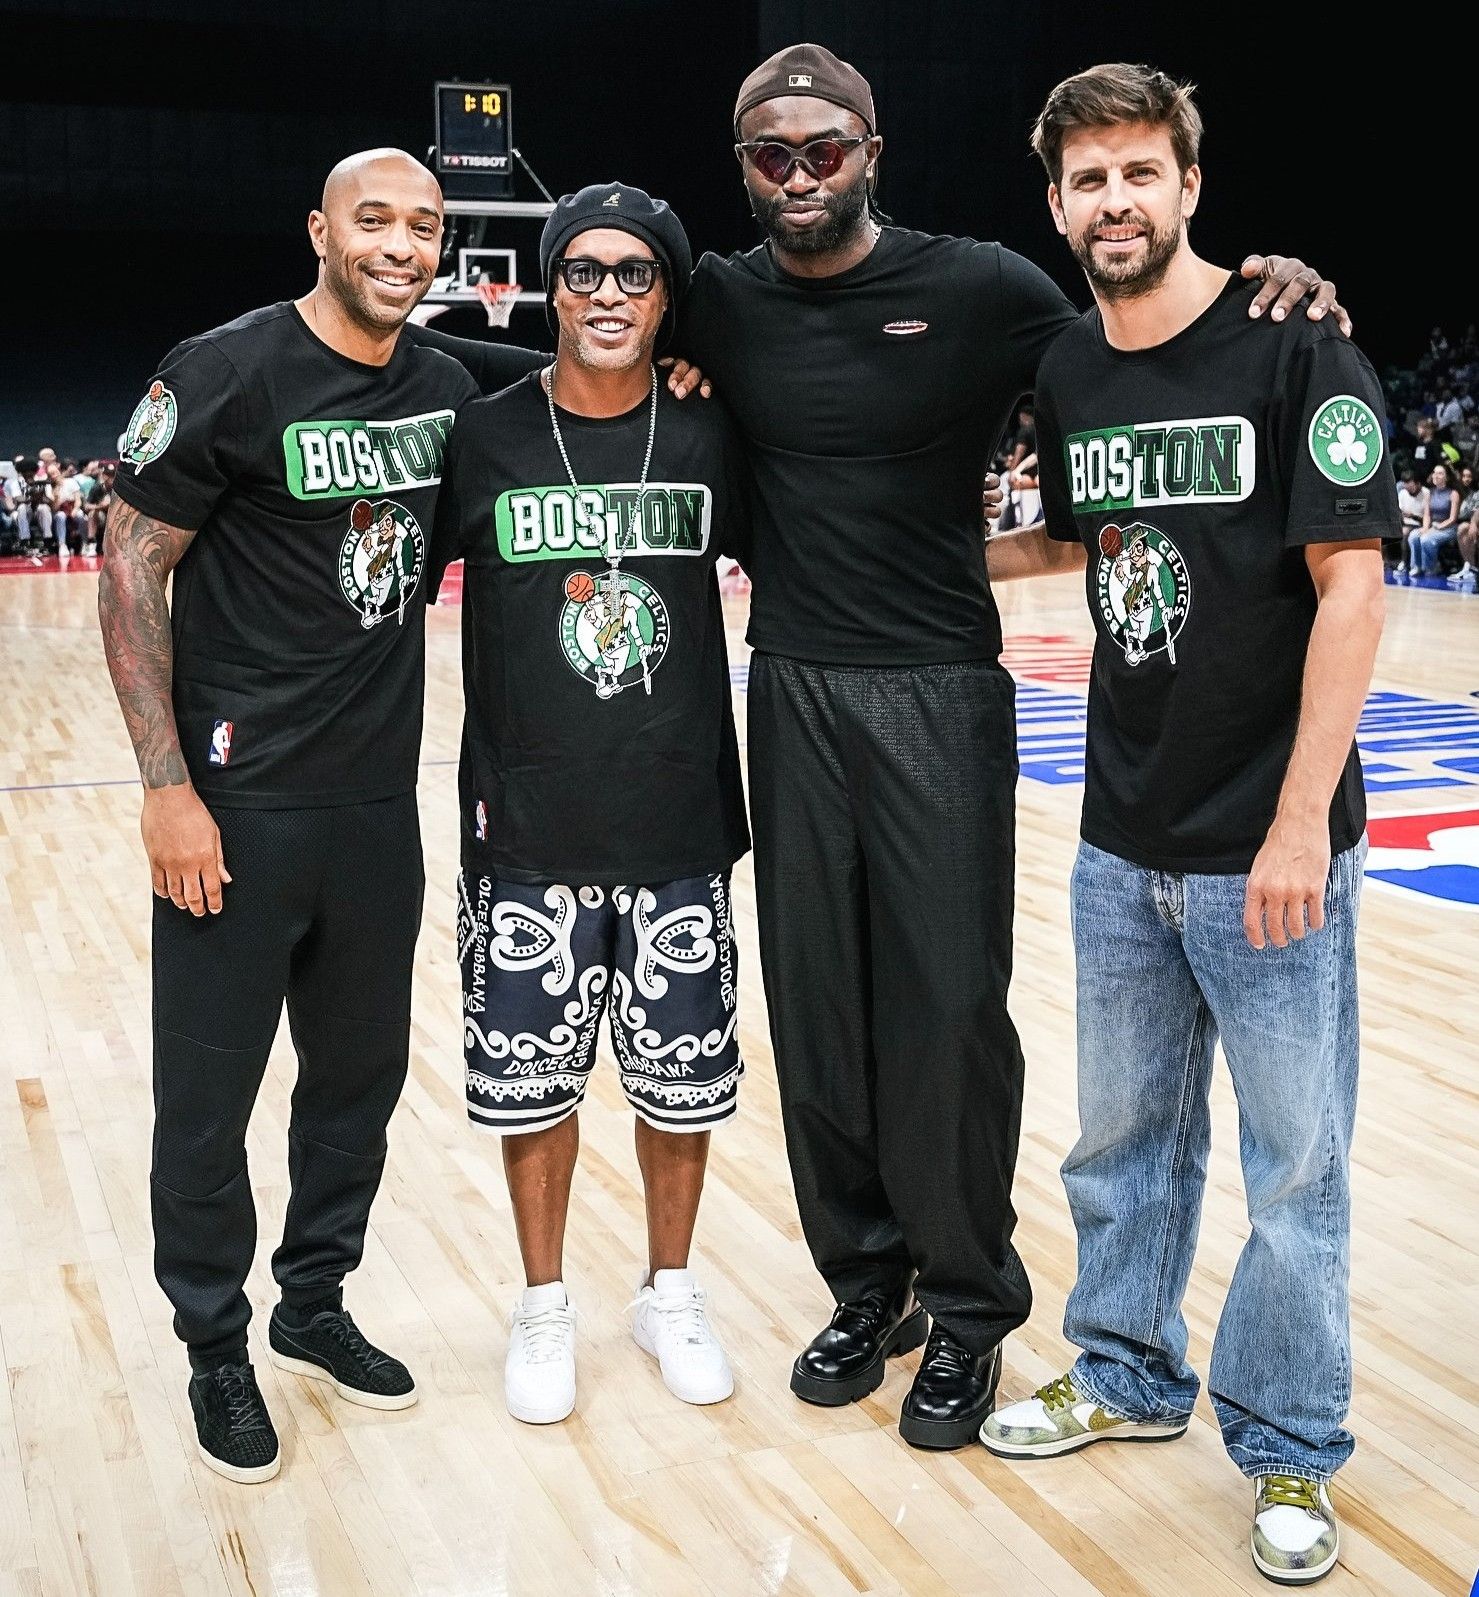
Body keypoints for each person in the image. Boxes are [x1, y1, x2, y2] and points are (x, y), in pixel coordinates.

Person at [406, 43, 1343, 1451]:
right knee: (820, 1015)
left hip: (936, 695)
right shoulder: (711, 298)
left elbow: (1139, 338)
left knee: (948, 1014)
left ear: (868, 148)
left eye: (820, 148)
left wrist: (1284, 290)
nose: (795, 173)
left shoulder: (980, 289)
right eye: (767, 155)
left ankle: (969, 1310)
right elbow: (572, 347)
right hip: (784, 684)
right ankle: (869, 1285)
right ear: (741, 169)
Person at [976, 64, 1394, 1588]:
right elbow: (1091, 538)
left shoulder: (1299, 349)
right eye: (1085, 181)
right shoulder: (1074, 373)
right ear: (1055, 206)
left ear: (1187, 184)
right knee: (1120, 1142)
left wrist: (1298, 825)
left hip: (1268, 846)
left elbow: (1348, 594)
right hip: (1118, 836)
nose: (1113, 202)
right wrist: (920, 560)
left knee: (1296, 1170)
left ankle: (1287, 1452)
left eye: (1137, 172)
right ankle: (1125, 1370)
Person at [98, 148, 487, 1485]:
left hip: (377, 807)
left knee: (355, 1090)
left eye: (424, 225)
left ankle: (312, 1304)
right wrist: (164, 787)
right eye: (373, 219)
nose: (400, 243)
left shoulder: (445, 389)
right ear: (318, 227)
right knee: (204, 1106)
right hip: (234, 809)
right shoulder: (224, 366)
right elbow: (131, 563)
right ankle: (214, 1343)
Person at [428, 183, 752, 1426]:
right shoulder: (485, 433)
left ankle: (669, 1289)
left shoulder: (714, 432)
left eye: (633, 274)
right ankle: (543, 1300)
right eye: (583, 271)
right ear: (547, 287)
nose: (606, 293)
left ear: (668, 298)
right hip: (524, 823)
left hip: (677, 815)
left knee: (683, 1081)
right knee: (534, 1083)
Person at [1408, 461, 1460, 576]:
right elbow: (1427, 515)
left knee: (1426, 539)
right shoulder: (1429, 493)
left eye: (1440, 473)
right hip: (1433, 526)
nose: (1436, 476)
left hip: (1449, 528)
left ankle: (1431, 568)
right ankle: (1417, 566)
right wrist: (1425, 528)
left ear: (1447, 477)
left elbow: (1453, 518)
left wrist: (1439, 526)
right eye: (1434, 473)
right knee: (1414, 536)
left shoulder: (1453, 493)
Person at [1449, 464, 1478, 585]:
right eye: (1464, 476)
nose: (1466, 479)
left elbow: (1477, 510)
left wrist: (1474, 524)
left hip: (1475, 523)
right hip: (1464, 523)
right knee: (1462, 528)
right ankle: (1470, 568)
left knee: (1464, 528)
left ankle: (1471, 568)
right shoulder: (1462, 491)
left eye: (1469, 476)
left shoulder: (1476, 492)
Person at [1395, 468, 1427, 572]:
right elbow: (1399, 510)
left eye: (1411, 485)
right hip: (1405, 523)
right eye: (1405, 484)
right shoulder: (1403, 493)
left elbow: (1427, 516)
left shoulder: (1426, 493)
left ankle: (1407, 563)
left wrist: (1413, 516)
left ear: (1418, 483)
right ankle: (1398, 562)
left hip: (1421, 523)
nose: (1408, 488)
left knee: (1406, 533)